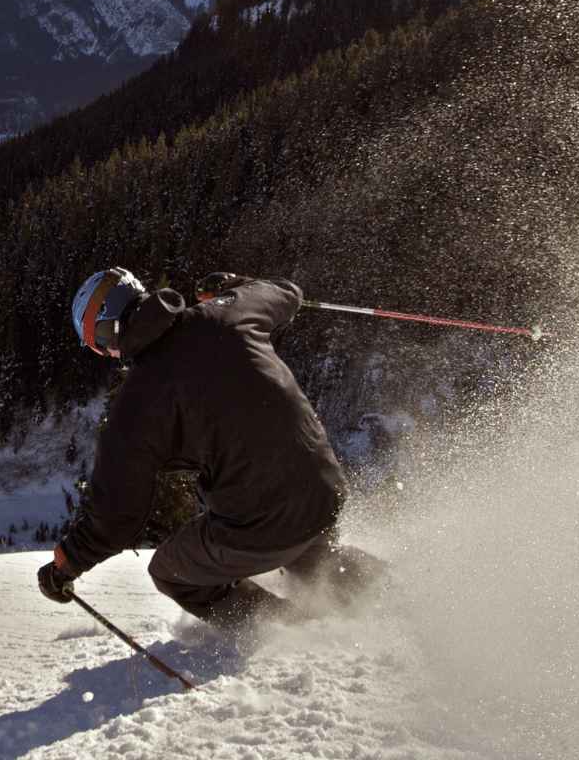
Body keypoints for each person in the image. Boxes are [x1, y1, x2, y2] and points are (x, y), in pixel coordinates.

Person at [36, 268, 381, 634]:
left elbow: (115, 515)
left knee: (171, 571)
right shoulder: (228, 312)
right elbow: (285, 293)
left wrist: (66, 564)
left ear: (109, 332)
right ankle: (396, 596)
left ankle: (289, 634)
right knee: (310, 556)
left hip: (261, 523)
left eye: (96, 342)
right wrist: (234, 288)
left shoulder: (138, 401)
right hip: (323, 488)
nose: (103, 352)